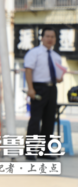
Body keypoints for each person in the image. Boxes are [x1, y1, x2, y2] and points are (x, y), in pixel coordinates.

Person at [24, 26, 64, 160]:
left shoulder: (56, 57)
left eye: (52, 37)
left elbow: (58, 76)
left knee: (49, 120)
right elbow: (28, 70)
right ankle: (30, 150)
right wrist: (30, 88)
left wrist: (60, 77)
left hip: (52, 88)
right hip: (38, 88)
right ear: (42, 38)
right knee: (35, 120)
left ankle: (44, 151)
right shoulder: (34, 53)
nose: (50, 39)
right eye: (47, 36)